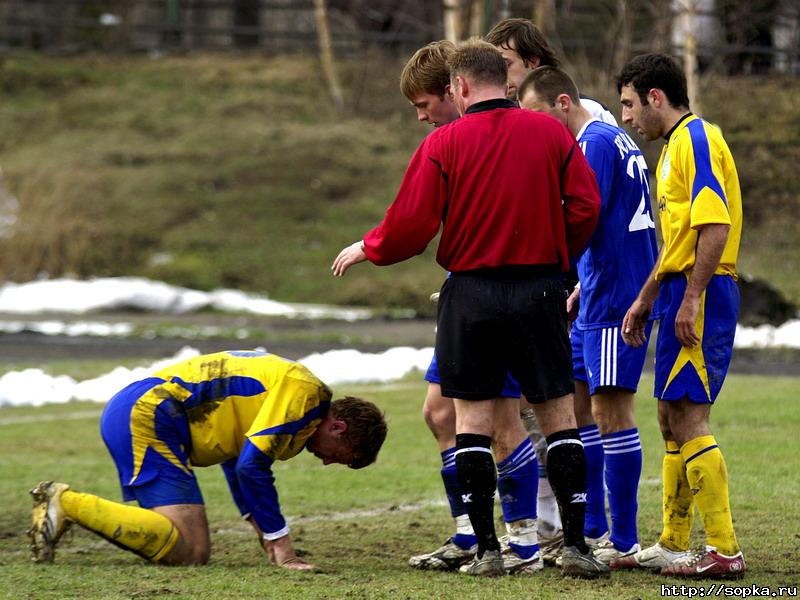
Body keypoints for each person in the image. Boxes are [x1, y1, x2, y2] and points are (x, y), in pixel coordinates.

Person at [333, 39, 609, 579]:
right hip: (538, 289)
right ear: (503, 81)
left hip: (472, 293)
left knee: (472, 424)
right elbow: (585, 206)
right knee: (558, 416)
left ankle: (486, 551)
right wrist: (559, 258)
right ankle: (576, 546)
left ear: (459, 87)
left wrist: (372, 246)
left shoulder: (445, 143)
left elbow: (412, 225)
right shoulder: (551, 131)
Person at [28, 350, 387, 569]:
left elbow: (235, 460)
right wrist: (282, 544)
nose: (326, 463)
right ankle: (66, 502)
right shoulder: (306, 398)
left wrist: (259, 526)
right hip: (149, 414)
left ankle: (65, 507)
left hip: (145, 411)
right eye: (338, 457)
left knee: (189, 546)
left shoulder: (303, 404)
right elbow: (251, 466)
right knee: (191, 550)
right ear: (338, 427)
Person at [400, 40, 544, 576]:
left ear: (452, 91)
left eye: (423, 106)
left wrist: (372, 246)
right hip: (470, 294)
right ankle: (469, 533)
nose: (421, 118)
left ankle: (523, 542)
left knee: (501, 421)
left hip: (500, 297)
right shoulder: (454, 141)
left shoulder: (491, 133)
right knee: (441, 413)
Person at [518, 66, 660, 564]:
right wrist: (579, 281)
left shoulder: (594, 144)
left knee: (611, 414)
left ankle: (622, 540)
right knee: (579, 411)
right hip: (594, 288)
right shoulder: (605, 138)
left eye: (538, 115)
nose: (535, 128)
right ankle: (592, 529)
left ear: (562, 102)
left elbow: (582, 215)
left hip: (617, 294)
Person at [485, 16, 614, 563]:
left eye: (507, 63)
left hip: (559, 283)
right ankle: (545, 523)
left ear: (533, 64)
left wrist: (569, 271)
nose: (501, 74)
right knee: (528, 409)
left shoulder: (585, 123)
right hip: (526, 280)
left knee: (570, 409)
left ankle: (586, 524)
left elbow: (588, 206)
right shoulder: (506, 117)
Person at [612, 53, 745, 578]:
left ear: (656, 97)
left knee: (689, 415)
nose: (626, 116)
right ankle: (672, 541)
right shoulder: (670, 150)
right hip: (678, 290)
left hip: (704, 292)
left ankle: (724, 552)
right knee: (669, 416)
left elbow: (714, 226)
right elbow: (679, 240)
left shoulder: (695, 139)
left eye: (629, 103)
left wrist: (691, 297)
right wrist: (648, 295)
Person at [486, 17, 618, 125]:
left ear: (533, 61)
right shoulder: (495, 117)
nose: (497, 76)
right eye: (492, 68)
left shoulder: (590, 110)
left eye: (505, 65)